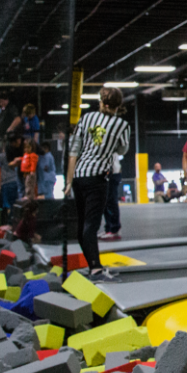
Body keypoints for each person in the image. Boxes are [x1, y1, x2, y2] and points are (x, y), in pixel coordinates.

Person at [64, 87, 130, 282]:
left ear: (101, 102)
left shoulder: (86, 119)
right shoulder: (122, 125)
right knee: (91, 225)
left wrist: (68, 181)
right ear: (119, 105)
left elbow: (74, 150)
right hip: (97, 178)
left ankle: (93, 265)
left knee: (83, 223)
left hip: (78, 176)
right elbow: (122, 149)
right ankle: (95, 269)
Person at [0, 136, 21, 224]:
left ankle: (10, 224)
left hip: (7, 184)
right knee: (15, 206)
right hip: (15, 182)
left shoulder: (4, 155)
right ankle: (14, 224)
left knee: (8, 207)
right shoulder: (16, 154)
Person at [101, 154, 123, 241]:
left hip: (112, 172)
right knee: (105, 202)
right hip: (105, 172)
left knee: (111, 201)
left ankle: (115, 229)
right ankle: (109, 229)